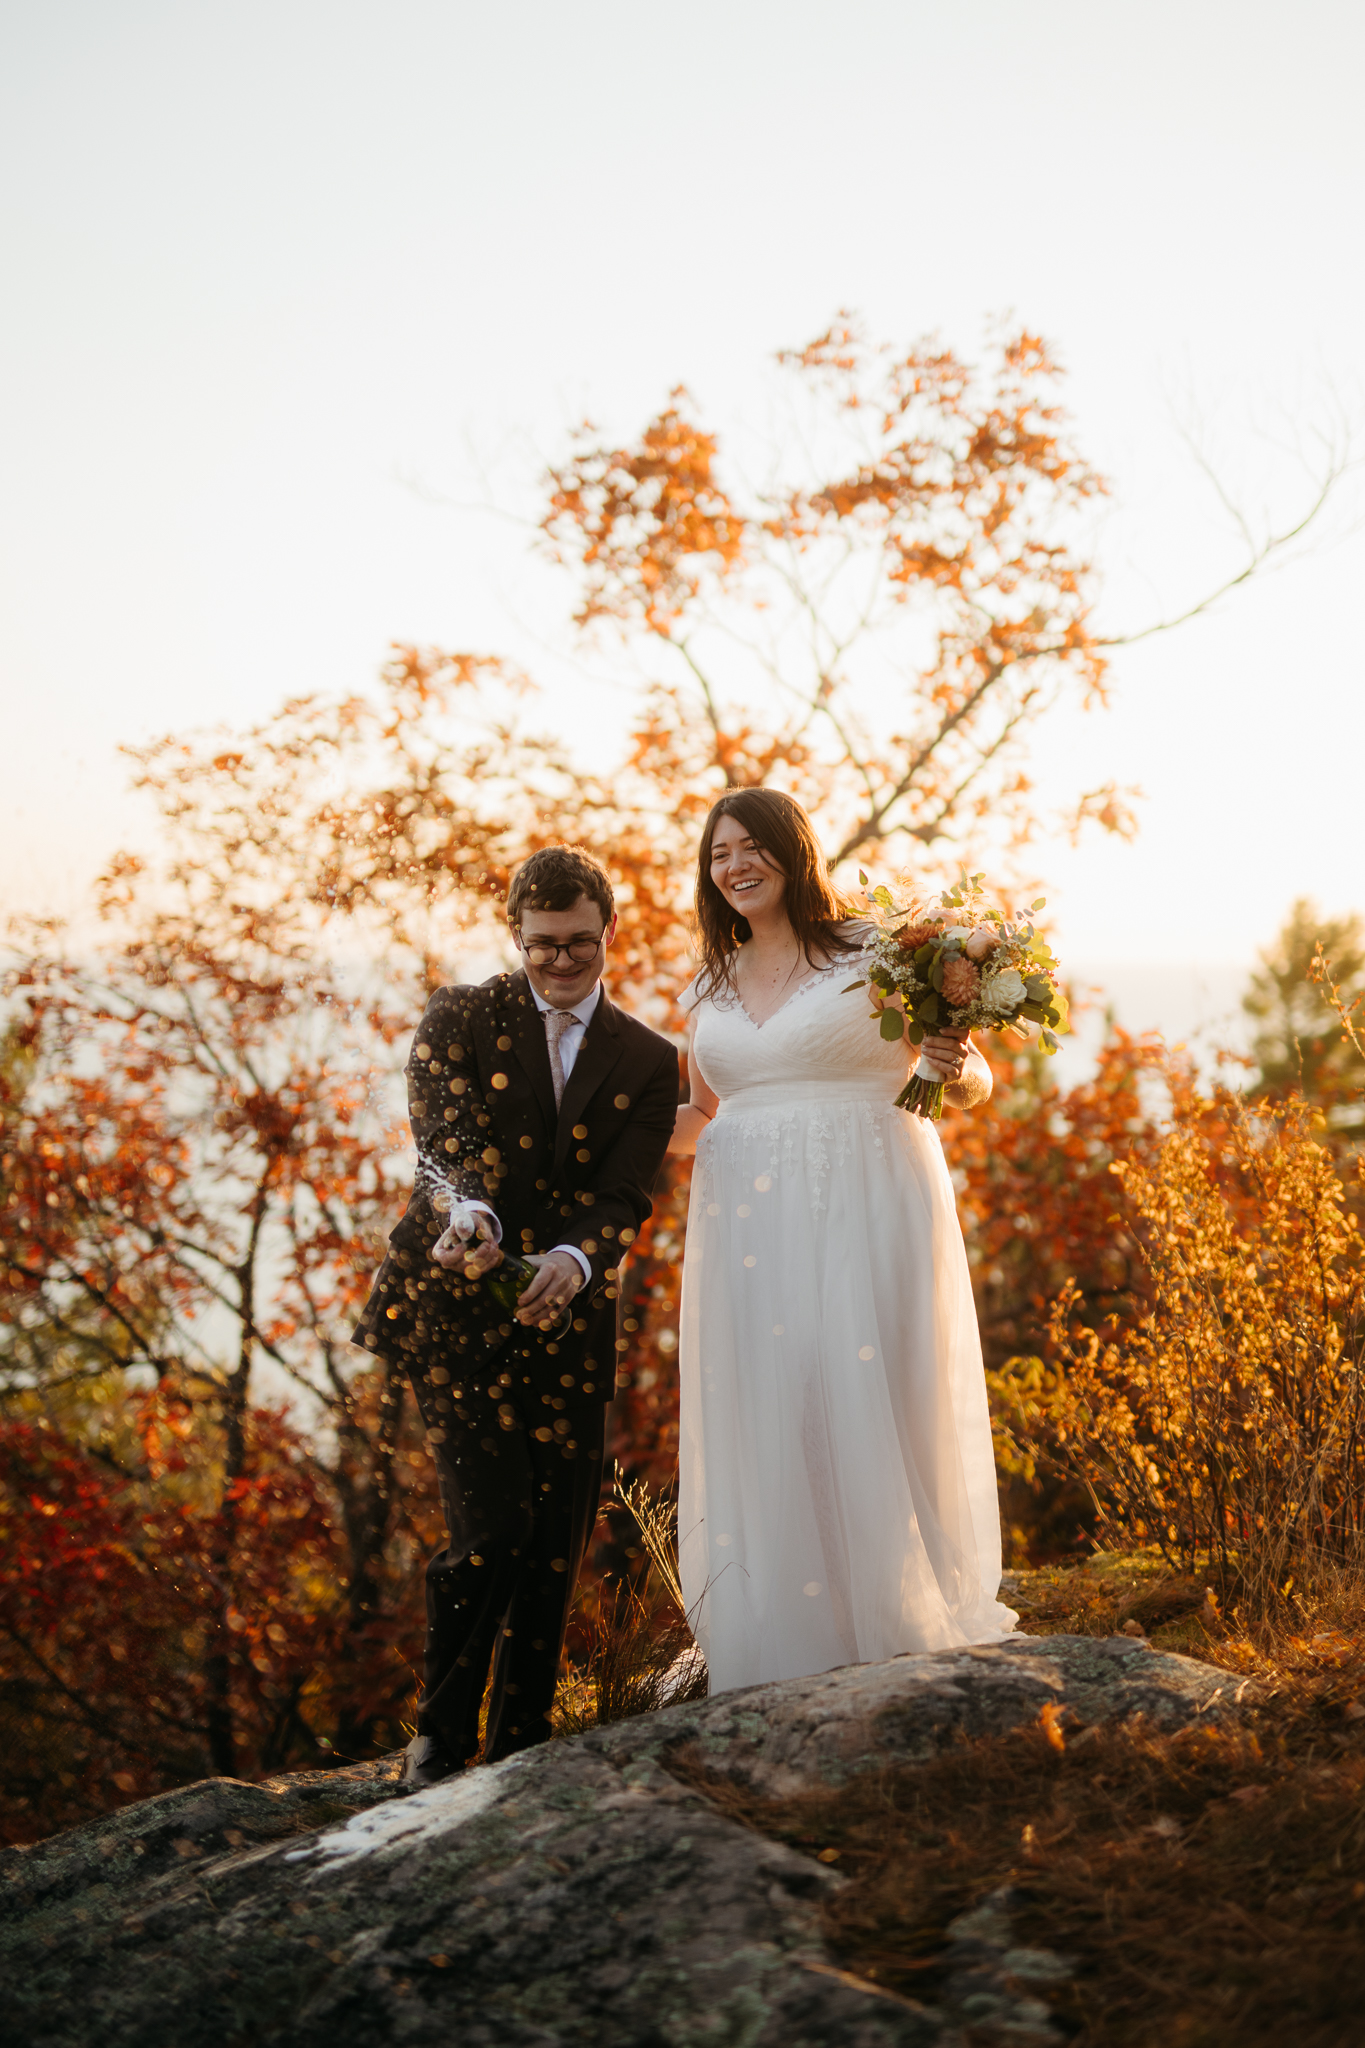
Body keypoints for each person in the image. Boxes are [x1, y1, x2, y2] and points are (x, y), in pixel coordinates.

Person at [669, 789, 1016, 1696]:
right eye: (718, 854)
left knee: (871, 1386)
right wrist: (573, 1131)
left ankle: (899, 1605)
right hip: (748, 1220)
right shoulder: (705, 985)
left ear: (792, 850)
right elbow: (699, 1117)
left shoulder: (875, 951)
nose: (735, 865)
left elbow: (970, 1075)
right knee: (781, 1402)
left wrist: (955, 1069)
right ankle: (800, 1619)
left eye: (751, 846)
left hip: (868, 1193)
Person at [354, 846, 679, 1787]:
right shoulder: (459, 1015)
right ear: (516, 937)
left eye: (579, 944)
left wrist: (574, 1262)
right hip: (453, 1309)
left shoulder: (651, 1059)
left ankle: (522, 1747)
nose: (561, 964)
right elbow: (445, 1146)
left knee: (553, 1546)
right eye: (542, 946)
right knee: (491, 1526)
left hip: (571, 1323)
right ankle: (439, 1743)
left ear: (608, 932)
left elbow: (624, 1194)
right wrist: (474, 1216)